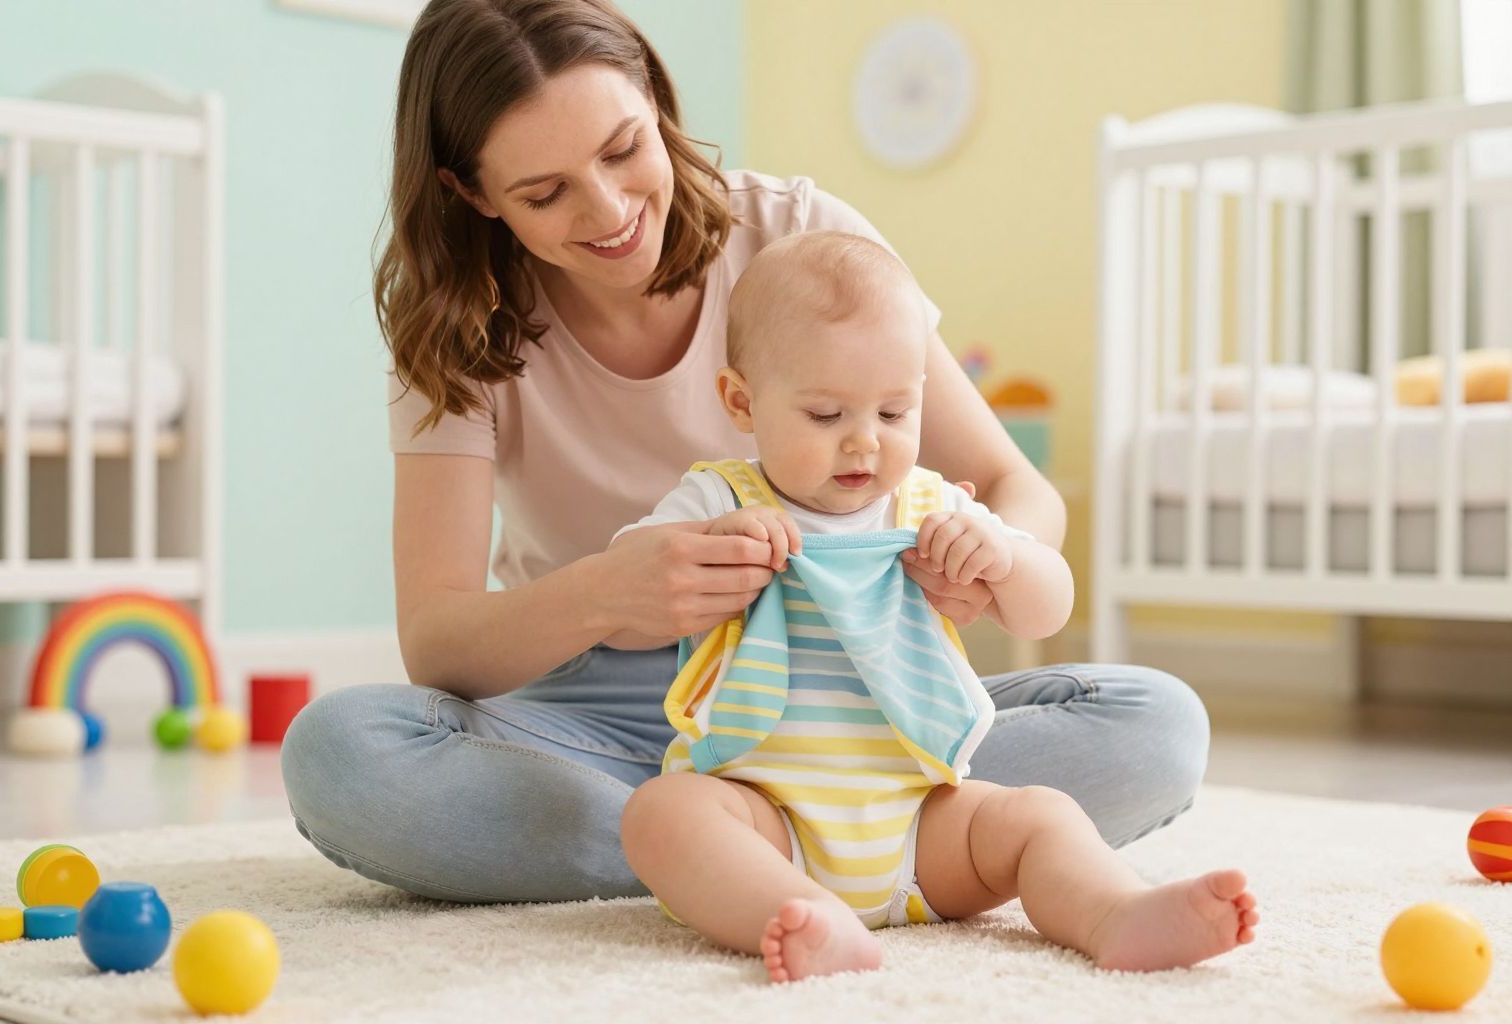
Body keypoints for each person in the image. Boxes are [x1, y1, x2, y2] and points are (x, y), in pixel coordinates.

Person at [279, 0, 1211, 907]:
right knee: (342, 751)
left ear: (656, 101)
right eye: (545, 193)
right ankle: (803, 847)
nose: (609, 209)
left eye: (622, 149)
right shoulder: (457, 331)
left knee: (1158, 724)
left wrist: (987, 559)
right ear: (472, 194)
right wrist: (608, 593)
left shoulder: (800, 239)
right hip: (593, 723)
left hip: (860, 703)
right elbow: (437, 640)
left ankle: (730, 854)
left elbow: (1018, 486)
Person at [613, 231, 1257, 982]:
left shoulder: (932, 506)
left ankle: (1115, 912)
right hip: (766, 820)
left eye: (894, 413)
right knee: (662, 814)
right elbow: (628, 575)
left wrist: (1002, 557)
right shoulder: (720, 497)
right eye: (825, 415)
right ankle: (797, 913)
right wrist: (712, 547)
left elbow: (1047, 608)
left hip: (922, 827)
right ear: (741, 401)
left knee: (1039, 816)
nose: (864, 443)